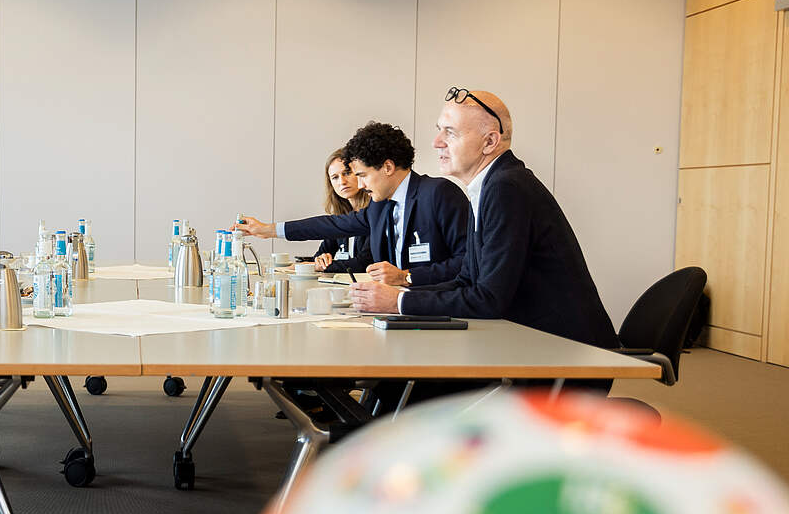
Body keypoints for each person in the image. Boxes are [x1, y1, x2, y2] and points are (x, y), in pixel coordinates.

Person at [349, 88, 619, 353]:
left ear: (489, 142)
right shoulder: (490, 185)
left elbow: (489, 300)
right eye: (439, 129)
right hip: (537, 345)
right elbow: (466, 280)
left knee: (408, 381)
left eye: (450, 133)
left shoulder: (507, 188)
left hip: (566, 357)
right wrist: (396, 293)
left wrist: (399, 302)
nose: (436, 142)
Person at [238, 122, 470, 286]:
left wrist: (406, 277)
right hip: (392, 305)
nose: (359, 183)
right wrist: (268, 230)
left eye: (363, 175)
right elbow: (331, 225)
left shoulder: (439, 193)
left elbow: (466, 262)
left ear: (388, 167)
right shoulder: (380, 206)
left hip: (435, 307)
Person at [312, 147, 373, 273]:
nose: (342, 182)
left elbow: (364, 263)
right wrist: (321, 260)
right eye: (335, 177)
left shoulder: (373, 212)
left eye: (346, 173)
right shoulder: (341, 217)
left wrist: (324, 266)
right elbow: (319, 256)